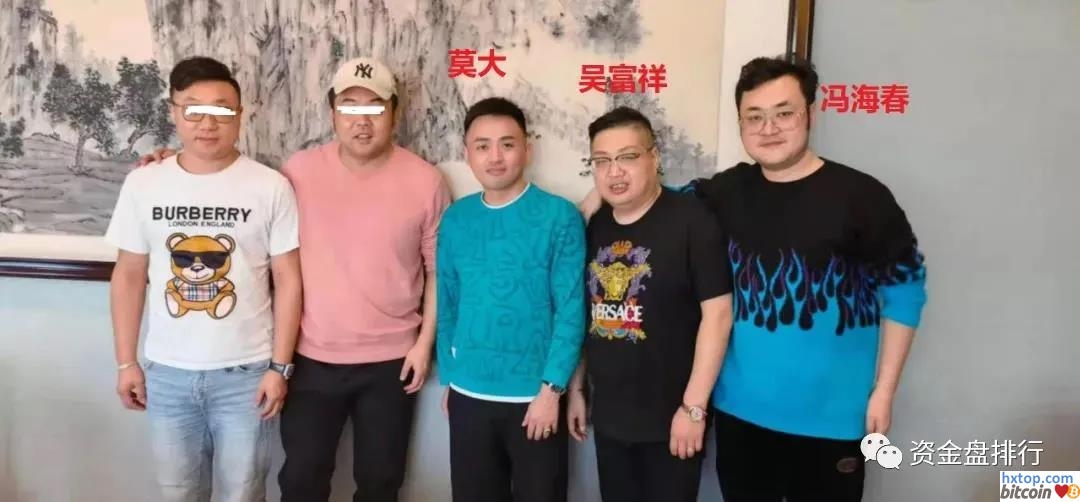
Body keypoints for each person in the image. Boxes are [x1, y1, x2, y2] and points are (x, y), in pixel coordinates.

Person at [584, 55, 930, 501]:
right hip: (740, 416)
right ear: (741, 124)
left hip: (831, 418)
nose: (768, 128)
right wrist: (596, 195)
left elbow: (906, 292)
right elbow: (650, 198)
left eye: (784, 113)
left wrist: (884, 390)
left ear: (810, 113)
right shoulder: (725, 192)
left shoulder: (863, 196)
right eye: (754, 117)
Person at [139, 57, 452, 502]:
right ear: (332, 114)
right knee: (302, 481)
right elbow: (228, 179)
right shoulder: (298, 172)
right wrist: (173, 159)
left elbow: (439, 270)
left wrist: (423, 345)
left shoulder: (425, 180)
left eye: (375, 108)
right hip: (309, 359)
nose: (362, 121)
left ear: (394, 113)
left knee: (381, 481)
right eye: (350, 107)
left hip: (392, 361)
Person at [107, 56, 302, 502]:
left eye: (221, 110)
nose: (207, 123)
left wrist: (279, 367)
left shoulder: (270, 186)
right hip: (167, 374)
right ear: (174, 111)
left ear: (240, 115)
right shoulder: (144, 184)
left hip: (247, 375)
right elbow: (129, 275)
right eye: (194, 109)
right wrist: (125, 362)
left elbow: (288, 280)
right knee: (178, 493)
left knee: (244, 492)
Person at [566, 106, 734, 502]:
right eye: (602, 161)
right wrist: (577, 389)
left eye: (627, 157)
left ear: (654, 157)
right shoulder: (593, 225)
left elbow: (718, 315)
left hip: (673, 418)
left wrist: (694, 409)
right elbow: (585, 313)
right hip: (610, 416)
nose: (614, 172)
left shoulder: (692, 220)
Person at [435, 97, 586, 502]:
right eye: (482, 146)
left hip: (535, 399)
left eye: (507, 144)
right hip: (468, 396)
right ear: (467, 153)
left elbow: (571, 310)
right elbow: (447, 300)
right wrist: (451, 377)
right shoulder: (457, 219)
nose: (495, 157)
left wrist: (552, 391)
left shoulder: (559, 216)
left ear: (527, 149)